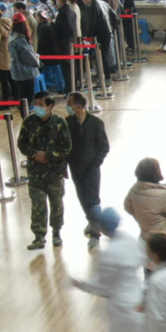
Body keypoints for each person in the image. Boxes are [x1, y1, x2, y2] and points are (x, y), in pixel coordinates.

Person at [17, 91, 71, 250]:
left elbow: (67, 147)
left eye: (41, 105)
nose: (37, 108)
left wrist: (48, 155)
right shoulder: (29, 122)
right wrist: (35, 155)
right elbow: (22, 144)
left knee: (56, 204)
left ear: (50, 106)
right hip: (35, 172)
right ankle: (39, 237)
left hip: (55, 172)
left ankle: (56, 233)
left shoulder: (60, 123)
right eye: (36, 104)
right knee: (37, 205)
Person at [65, 91, 108, 249]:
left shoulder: (95, 123)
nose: (68, 106)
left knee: (93, 200)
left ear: (79, 106)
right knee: (82, 198)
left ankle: (96, 234)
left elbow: (104, 146)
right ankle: (91, 221)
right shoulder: (68, 122)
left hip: (92, 169)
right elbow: (64, 146)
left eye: (70, 103)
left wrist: (96, 164)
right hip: (75, 168)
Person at [123, 158, 166, 242]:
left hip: (144, 236)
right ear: (155, 173)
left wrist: (142, 218)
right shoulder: (161, 195)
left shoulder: (135, 189)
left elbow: (127, 206)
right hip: (162, 239)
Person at [7, 13, 38, 106]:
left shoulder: (12, 38)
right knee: (27, 99)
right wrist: (37, 61)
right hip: (26, 73)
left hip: (17, 73)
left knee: (22, 99)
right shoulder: (21, 40)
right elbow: (28, 58)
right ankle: (26, 118)